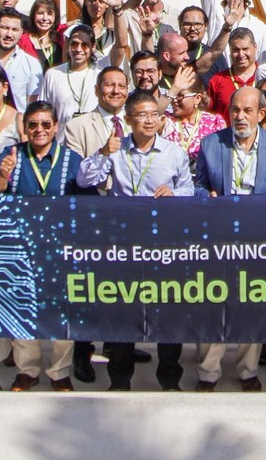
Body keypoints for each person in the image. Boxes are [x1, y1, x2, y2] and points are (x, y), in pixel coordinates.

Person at [81, 93, 195, 390]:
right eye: (141, 115)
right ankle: (119, 381)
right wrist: (104, 152)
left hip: (163, 245)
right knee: (123, 313)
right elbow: (85, 180)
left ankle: (170, 379)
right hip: (124, 244)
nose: (148, 120)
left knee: (169, 313)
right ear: (129, 120)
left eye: (153, 115)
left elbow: (189, 191)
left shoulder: (174, 153)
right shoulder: (116, 150)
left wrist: (174, 195)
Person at [0, 101, 76, 391]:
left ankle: (60, 371)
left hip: (60, 246)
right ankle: (27, 369)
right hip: (20, 245)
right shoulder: (12, 155)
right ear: (25, 129)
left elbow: (86, 200)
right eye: (33, 125)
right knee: (23, 307)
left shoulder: (71, 159)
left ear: (56, 127)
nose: (39, 130)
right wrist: (3, 174)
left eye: (45, 124)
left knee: (62, 311)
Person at [42, 25, 105, 120]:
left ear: (93, 47)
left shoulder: (99, 72)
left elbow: (120, 46)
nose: (79, 49)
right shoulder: (53, 74)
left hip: (93, 133)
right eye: (74, 44)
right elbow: (44, 111)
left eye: (85, 45)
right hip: (63, 134)